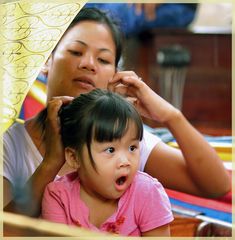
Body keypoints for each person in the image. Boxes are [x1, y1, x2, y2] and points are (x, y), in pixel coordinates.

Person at [3, 7, 230, 218]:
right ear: (46, 61)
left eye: (103, 59)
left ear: (115, 76)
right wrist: (52, 162)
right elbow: (7, 228)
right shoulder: (10, 143)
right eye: (75, 51)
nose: (89, 64)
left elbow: (216, 185)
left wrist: (170, 116)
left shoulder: (124, 141)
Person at [41, 89, 174, 236]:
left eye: (132, 148)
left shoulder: (147, 192)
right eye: (110, 150)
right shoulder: (58, 196)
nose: (125, 161)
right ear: (74, 158)